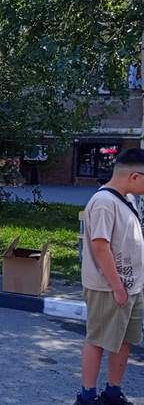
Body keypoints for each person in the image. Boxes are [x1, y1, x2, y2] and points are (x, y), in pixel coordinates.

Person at [73, 148, 144, 405]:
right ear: (134, 176)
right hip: (109, 288)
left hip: (132, 286)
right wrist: (117, 287)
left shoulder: (128, 199)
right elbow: (101, 247)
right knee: (98, 341)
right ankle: (87, 397)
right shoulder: (104, 202)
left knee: (124, 340)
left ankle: (113, 393)